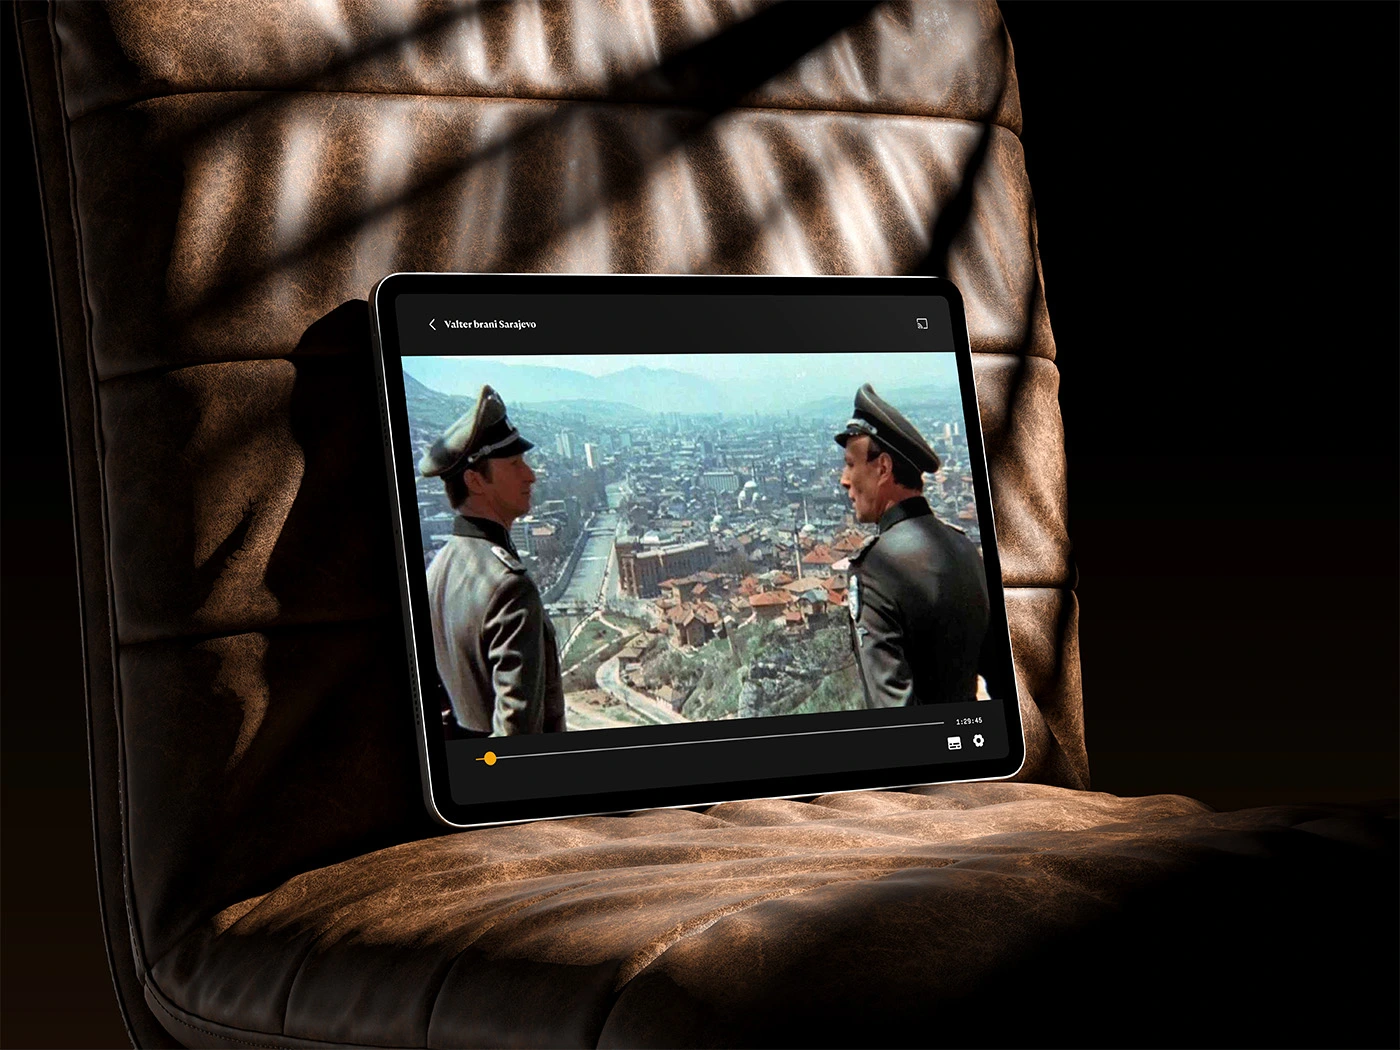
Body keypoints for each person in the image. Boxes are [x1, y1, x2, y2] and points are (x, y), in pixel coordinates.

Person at [420, 385, 566, 737]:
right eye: (515, 464)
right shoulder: (508, 586)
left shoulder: (437, 572)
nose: (530, 475)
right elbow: (518, 735)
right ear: (475, 480)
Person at [835, 384, 989, 706]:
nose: (844, 479)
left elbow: (896, 713)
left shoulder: (876, 572)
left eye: (851, 463)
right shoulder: (966, 551)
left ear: (883, 468)